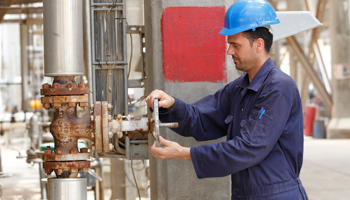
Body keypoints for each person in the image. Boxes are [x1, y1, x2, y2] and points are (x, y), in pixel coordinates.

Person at [145, 0, 308, 199]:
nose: (229, 51)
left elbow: (249, 148)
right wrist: (170, 104)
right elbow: (201, 119)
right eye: (229, 45)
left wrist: (185, 153)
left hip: (277, 195)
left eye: (235, 45)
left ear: (258, 44)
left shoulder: (279, 88)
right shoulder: (238, 89)